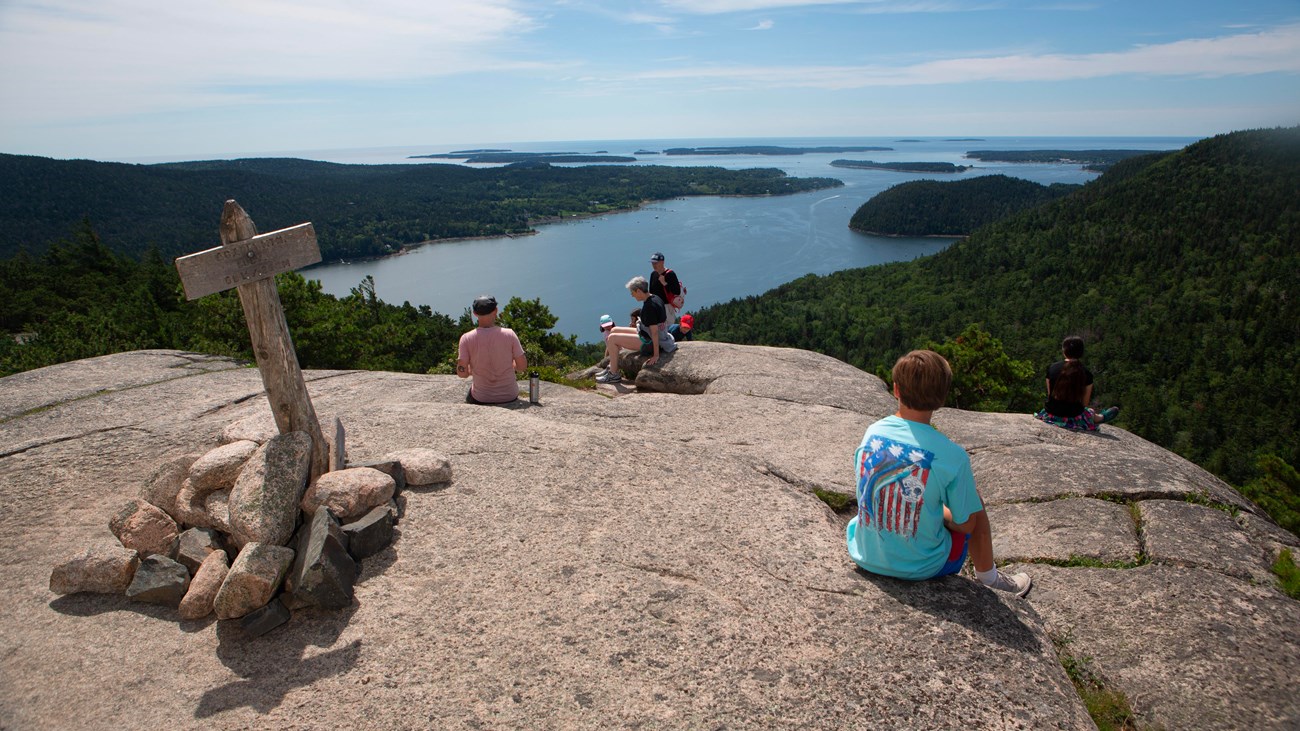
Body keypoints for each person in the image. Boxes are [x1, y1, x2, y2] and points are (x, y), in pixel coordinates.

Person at [847, 350, 1031, 596]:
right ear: (942, 397)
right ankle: (990, 579)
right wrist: (943, 514)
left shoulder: (872, 432)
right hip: (923, 566)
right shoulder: (952, 455)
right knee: (975, 505)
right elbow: (967, 525)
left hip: (865, 555)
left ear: (896, 390)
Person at [596, 276, 676, 384]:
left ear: (638, 290)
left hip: (649, 342)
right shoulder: (655, 298)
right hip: (648, 334)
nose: (632, 295)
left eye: (632, 292)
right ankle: (612, 366)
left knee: (612, 338)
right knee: (614, 330)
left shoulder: (650, 306)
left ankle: (613, 374)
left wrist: (656, 355)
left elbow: (655, 332)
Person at [1034, 335, 1119, 431]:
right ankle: (1101, 417)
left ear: (1064, 351)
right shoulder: (1086, 373)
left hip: (1051, 413)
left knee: (1086, 411)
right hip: (1073, 416)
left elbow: (1050, 395)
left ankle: (1098, 417)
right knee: (1089, 411)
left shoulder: (1052, 368)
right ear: (1081, 353)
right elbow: (1084, 404)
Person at [456, 295, 527, 404]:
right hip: (509, 395)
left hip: (481, 398)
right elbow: (522, 367)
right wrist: (511, 365)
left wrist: (473, 369)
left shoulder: (466, 338)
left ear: (475, 314)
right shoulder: (509, 334)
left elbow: (462, 373)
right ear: (496, 311)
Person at [648, 252, 683, 324]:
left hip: (667, 307)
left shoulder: (670, 274)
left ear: (662, 262)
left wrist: (665, 283)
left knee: (668, 329)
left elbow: (677, 291)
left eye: (655, 263)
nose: (653, 265)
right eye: (652, 263)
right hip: (656, 307)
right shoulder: (653, 274)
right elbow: (651, 292)